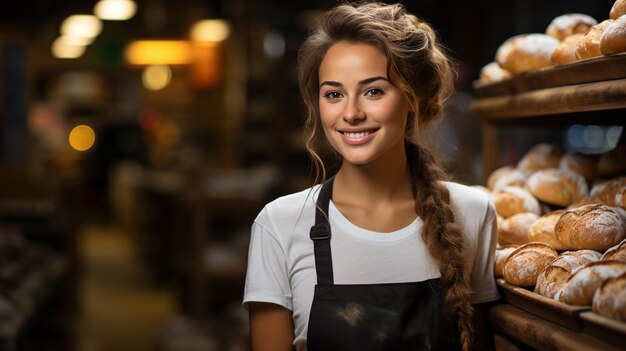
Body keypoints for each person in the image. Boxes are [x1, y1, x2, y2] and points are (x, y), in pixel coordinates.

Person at [243, 2, 499, 350]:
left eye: (373, 91)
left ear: (413, 99)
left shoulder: (473, 213)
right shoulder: (279, 225)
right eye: (334, 94)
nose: (351, 113)